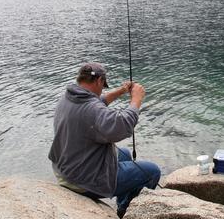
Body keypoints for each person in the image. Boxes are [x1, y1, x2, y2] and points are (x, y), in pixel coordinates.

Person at [48, 62, 161, 218]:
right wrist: (136, 100)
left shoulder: (69, 97)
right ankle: (125, 210)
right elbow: (122, 126)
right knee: (152, 171)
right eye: (103, 85)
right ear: (99, 80)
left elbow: (98, 101)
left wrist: (121, 91)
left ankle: (121, 203)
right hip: (83, 180)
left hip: (65, 170)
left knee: (125, 153)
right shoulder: (91, 109)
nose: (102, 89)